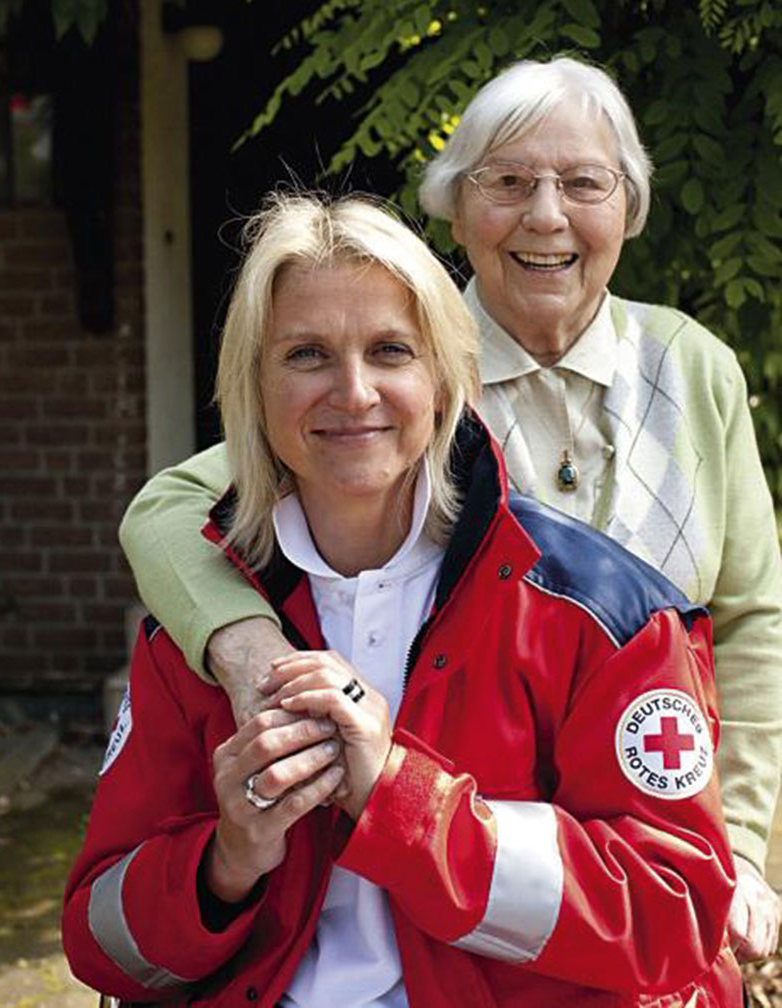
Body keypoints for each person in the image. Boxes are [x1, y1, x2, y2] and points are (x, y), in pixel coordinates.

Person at [119, 56, 782, 959]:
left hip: (651, 853)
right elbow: (170, 507)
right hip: (444, 878)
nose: (545, 214)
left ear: (626, 208)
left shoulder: (693, 365)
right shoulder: (404, 368)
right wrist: (249, 648)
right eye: (507, 182)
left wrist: (738, 848)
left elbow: (751, 616)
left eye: (584, 183)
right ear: (456, 211)